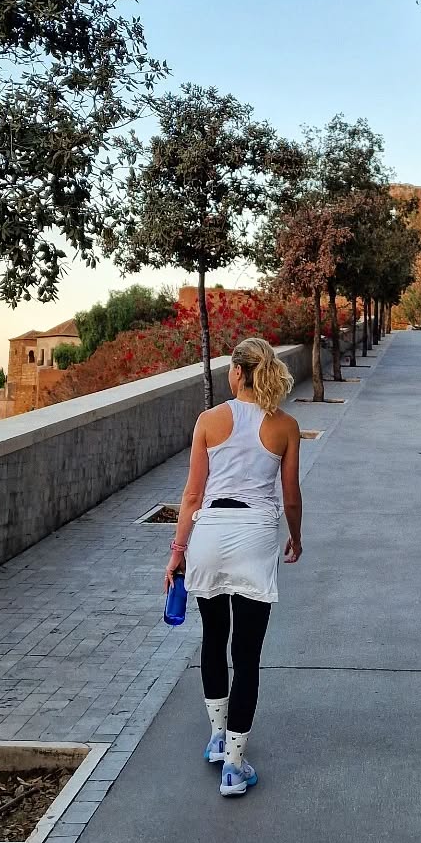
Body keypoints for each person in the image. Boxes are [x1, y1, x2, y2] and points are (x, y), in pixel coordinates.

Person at [166, 337, 303, 797]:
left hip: (209, 534)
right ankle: (235, 767)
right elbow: (290, 496)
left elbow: (191, 495)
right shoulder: (285, 426)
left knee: (212, 639)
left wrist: (177, 552)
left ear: (238, 373)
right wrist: (296, 537)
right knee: (246, 656)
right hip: (255, 538)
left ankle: (215, 739)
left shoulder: (209, 420)